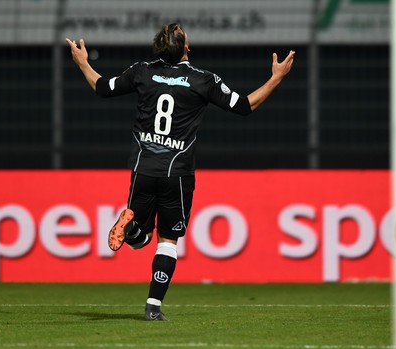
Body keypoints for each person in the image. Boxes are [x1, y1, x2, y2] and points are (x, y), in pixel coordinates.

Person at [66, 23, 295, 321]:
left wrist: (83, 63)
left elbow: (102, 87)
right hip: (177, 173)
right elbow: (244, 106)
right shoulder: (204, 80)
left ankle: (131, 225)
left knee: (140, 241)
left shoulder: (142, 71)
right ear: (186, 47)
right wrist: (276, 78)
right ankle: (152, 307)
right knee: (167, 241)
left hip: (143, 168)